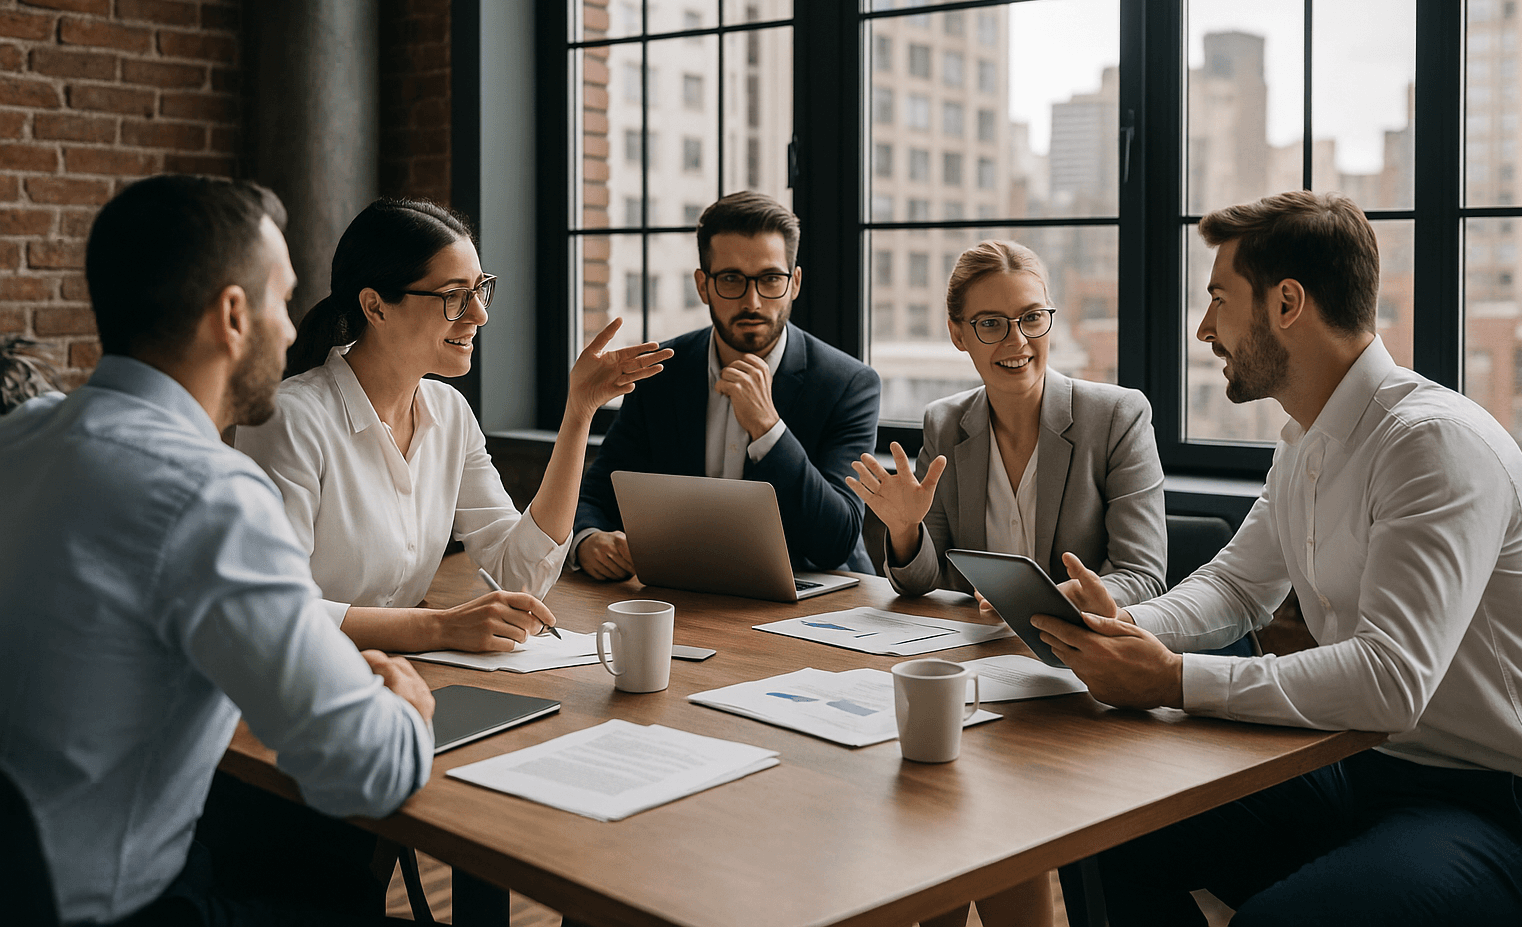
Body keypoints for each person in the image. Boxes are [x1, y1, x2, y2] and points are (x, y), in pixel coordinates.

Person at [1033, 191, 1522, 926]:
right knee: (1106, 820)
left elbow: (1390, 680)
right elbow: (1238, 586)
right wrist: (1126, 624)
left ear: (1288, 303)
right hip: (1349, 766)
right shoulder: (1305, 440)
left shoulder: (1431, 444)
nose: (1204, 329)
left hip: (1489, 799)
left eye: (1218, 300)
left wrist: (1172, 679)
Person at [0, 174, 435, 926]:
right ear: (234, 315)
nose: (296, 331)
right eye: (281, 300)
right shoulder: (209, 494)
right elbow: (368, 771)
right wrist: (406, 707)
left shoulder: (21, 438)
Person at [846, 239, 1166, 927]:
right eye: (990, 323)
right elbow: (925, 583)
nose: (1015, 340)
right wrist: (904, 533)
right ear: (958, 332)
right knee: (926, 797)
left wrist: (1069, 599)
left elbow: (1143, 574)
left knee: (955, 806)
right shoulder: (945, 424)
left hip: (1076, 679)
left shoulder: (1116, 417)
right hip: (981, 676)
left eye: (1031, 318)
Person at [235, 199, 670, 654]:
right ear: (376, 307)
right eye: (454, 297)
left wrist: (578, 413)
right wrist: (440, 628)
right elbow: (272, 607)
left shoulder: (451, 413)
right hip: (299, 684)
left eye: (481, 290)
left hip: (408, 675)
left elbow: (518, 576)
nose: (479, 315)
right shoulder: (290, 419)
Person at [572, 190, 882, 579]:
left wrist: (769, 429)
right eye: (732, 279)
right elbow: (599, 491)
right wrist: (588, 538)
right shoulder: (659, 372)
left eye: (771, 279)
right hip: (687, 591)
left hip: (816, 602)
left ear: (795, 282)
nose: (752, 301)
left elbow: (835, 540)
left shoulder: (849, 384)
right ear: (703, 286)